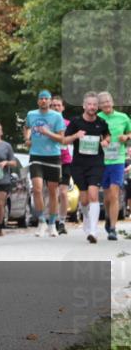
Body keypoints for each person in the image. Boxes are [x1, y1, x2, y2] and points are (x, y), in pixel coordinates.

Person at [62, 92, 111, 243]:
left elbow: (108, 136)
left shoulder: (101, 122)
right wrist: (76, 136)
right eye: (89, 104)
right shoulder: (76, 122)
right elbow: (64, 140)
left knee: (93, 195)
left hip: (96, 163)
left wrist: (106, 142)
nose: (92, 107)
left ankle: (94, 231)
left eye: (95, 105)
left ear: (97, 107)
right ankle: (86, 219)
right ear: (84, 105)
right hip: (78, 165)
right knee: (83, 200)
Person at [24, 90, 66, 237]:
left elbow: (61, 139)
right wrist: (27, 138)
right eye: (41, 98)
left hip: (53, 156)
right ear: (38, 101)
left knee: (53, 191)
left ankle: (52, 223)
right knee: (37, 189)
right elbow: (27, 127)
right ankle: (41, 221)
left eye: (46, 99)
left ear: (50, 101)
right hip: (36, 155)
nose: (43, 101)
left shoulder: (57, 116)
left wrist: (47, 132)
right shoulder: (31, 114)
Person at [98, 91, 130, 241]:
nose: (106, 105)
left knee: (114, 192)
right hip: (102, 161)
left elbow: (130, 132)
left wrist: (127, 136)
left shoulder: (123, 117)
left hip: (118, 159)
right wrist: (100, 142)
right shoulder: (97, 118)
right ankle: (108, 218)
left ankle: (112, 229)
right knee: (107, 196)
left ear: (112, 102)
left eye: (108, 101)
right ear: (99, 105)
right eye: (103, 103)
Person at [51, 95, 72, 234]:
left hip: (65, 161)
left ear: (63, 107)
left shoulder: (69, 124)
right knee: (52, 192)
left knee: (63, 193)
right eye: (54, 105)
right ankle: (52, 221)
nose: (56, 107)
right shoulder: (47, 124)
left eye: (58, 105)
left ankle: (62, 222)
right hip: (51, 160)